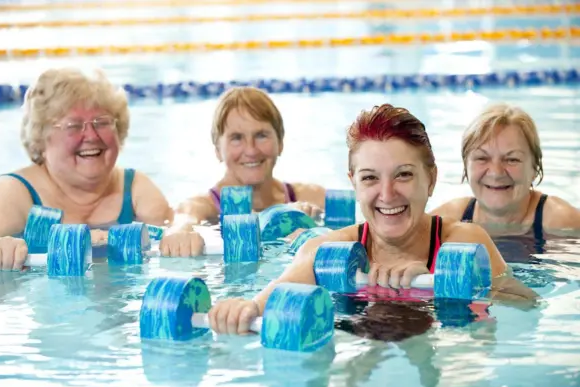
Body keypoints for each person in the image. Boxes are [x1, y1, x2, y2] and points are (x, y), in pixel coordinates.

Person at [206, 103, 538, 335]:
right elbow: (265, 305)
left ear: (431, 179)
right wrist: (237, 312)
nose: (387, 193)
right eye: (370, 178)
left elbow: (526, 306)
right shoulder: (326, 252)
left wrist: (437, 292)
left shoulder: (465, 243)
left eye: (404, 175)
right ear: (353, 183)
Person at [0, 67, 187, 270]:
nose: (91, 136)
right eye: (73, 125)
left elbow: (176, 227)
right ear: (41, 138)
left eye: (102, 123)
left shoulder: (133, 188)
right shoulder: (13, 192)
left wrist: (181, 229)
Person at [175, 86, 327, 254]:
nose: (251, 151)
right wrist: (182, 231)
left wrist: (312, 222)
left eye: (261, 135)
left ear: (281, 142)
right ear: (218, 149)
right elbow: (182, 223)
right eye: (237, 138)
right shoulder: (203, 208)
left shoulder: (314, 199)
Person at [430, 103, 580, 261]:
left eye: (512, 159)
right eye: (482, 158)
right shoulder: (445, 222)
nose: (496, 172)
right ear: (466, 166)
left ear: (535, 168)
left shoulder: (562, 222)